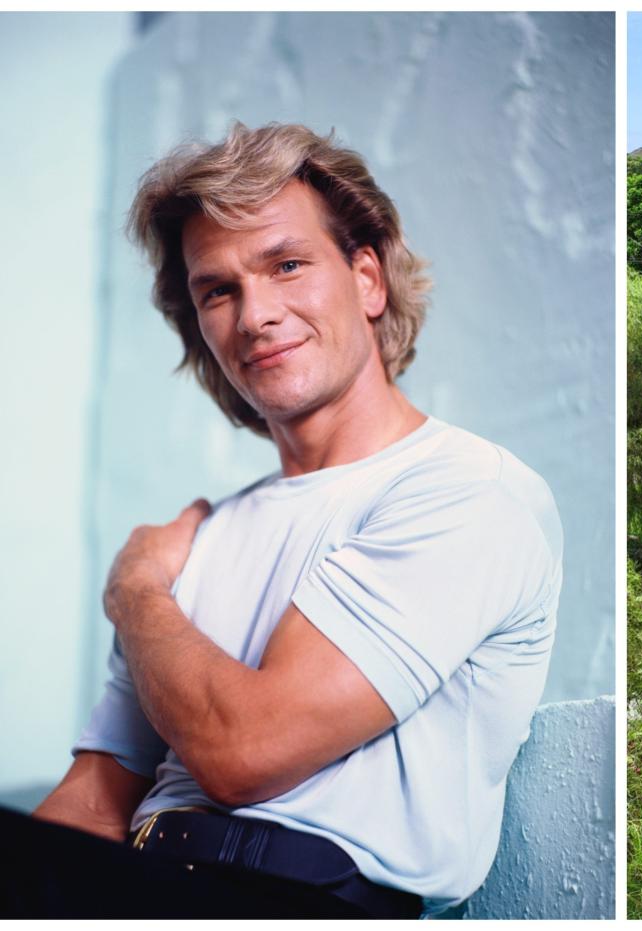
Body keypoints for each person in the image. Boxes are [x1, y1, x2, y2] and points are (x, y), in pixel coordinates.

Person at [14, 122, 562, 918]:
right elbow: (95, 800)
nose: (256, 314)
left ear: (367, 279)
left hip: (294, 896)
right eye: (218, 290)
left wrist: (132, 590)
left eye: (287, 265)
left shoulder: (468, 491)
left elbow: (245, 751)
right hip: (136, 883)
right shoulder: (198, 543)